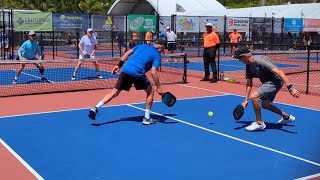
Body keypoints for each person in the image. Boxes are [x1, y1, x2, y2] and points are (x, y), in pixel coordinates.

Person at [88, 43, 165, 125]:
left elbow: (127, 53)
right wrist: (159, 87)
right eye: (164, 50)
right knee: (150, 91)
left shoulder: (142, 45)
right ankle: (146, 118)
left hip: (126, 70)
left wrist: (119, 66)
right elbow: (153, 71)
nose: (163, 52)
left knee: (114, 92)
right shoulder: (157, 55)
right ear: (162, 46)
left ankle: (95, 108)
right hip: (138, 73)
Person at [232, 46, 300, 131]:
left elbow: (280, 72)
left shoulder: (260, 60)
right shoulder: (248, 66)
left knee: (254, 97)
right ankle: (286, 117)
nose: (239, 60)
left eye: (239, 58)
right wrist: (245, 100)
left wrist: (291, 89)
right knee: (265, 105)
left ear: (245, 56)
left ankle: (259, 123)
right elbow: (249, 83)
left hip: (275, 82)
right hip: (266, 83)